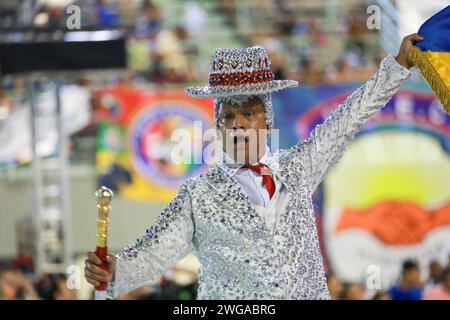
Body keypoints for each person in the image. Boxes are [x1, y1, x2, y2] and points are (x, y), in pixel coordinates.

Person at [85, 34, 422, 299]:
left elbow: (348, 119)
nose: (239, 125)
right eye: (228, 116)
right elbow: (155, 253)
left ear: (267, 119)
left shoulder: (299, 168)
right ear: (218, 125)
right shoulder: (197, 195)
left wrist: (397, 66)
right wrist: (116, 271)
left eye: (249, 113)